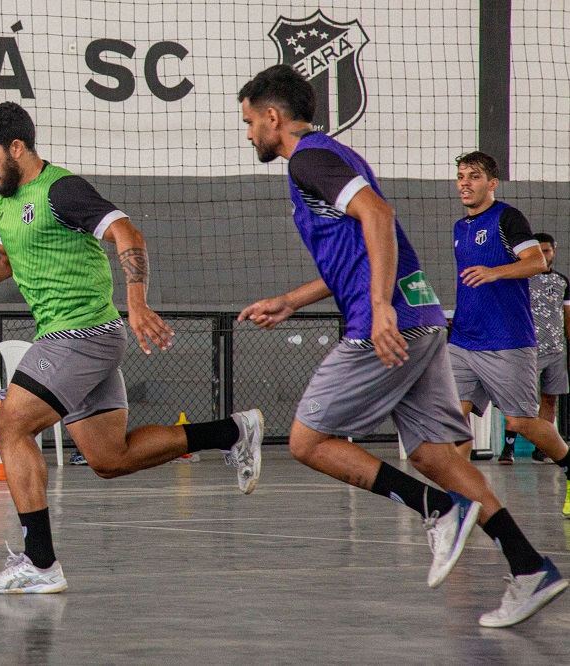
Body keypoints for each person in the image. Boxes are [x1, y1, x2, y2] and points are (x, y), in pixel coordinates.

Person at [237, 65, 565, 628]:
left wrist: (380, 306)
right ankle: (529, 566)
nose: (248, 134)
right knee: (433, 454)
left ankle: (435, 509)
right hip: (424, 319)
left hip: (387, 324)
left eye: (248, 123)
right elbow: (359, 245)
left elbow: (379, 216)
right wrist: (293, 299)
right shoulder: (334, 157)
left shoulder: (306, 159)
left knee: (306, 441)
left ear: (272, 117)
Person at [0, 101, 263, 595]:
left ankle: (40, 563)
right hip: (79, 338)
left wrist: (136, 302)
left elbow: (127, 233)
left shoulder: (61, 190)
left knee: (9, 426)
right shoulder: (6, 201)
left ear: (16, 147)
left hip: (80, 334)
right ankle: (234, 431)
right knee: (110, 459)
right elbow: (0, 264)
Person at [448, 153, 570, 510]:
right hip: (464, 340)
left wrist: (494, 272)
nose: (465, 182)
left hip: (506, 339)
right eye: (461, 176)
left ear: (492, 183)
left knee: (521, 421)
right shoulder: (459, 228)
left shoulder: (507, 217)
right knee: (453, 419)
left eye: (474, 176)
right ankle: (460, 502)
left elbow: (537, 261)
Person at [498, 232, 569, 464]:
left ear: (553, 252)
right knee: (520, 402)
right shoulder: (521, 278)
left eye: (547, 250)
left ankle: (542, 449)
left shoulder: (562, 281)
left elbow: (567, 317)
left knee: (550, 399)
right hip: (528, 349)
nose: (544, 255)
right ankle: (507, 449)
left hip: (556, 350)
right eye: (539, 251)